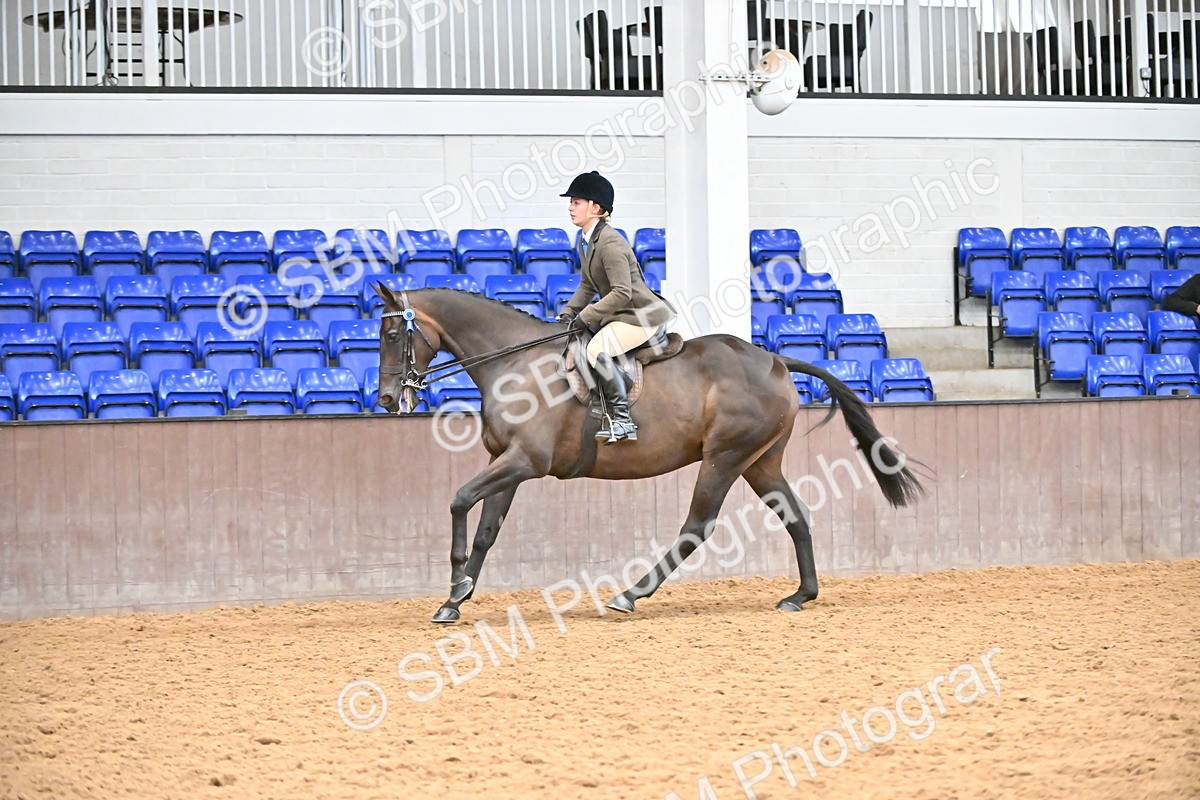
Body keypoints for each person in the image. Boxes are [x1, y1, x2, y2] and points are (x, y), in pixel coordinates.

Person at [555, 171, 676, 443]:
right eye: (571, 202)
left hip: (640, 315)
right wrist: (568, 314)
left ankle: (622, 421)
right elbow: (587, 286)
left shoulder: (610, 243)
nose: (570, 207)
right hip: (621, 314)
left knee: (597, 349)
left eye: (576, 202)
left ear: (595, 208)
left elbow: (622, 292)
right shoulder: (586, 241)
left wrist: (584, 316)